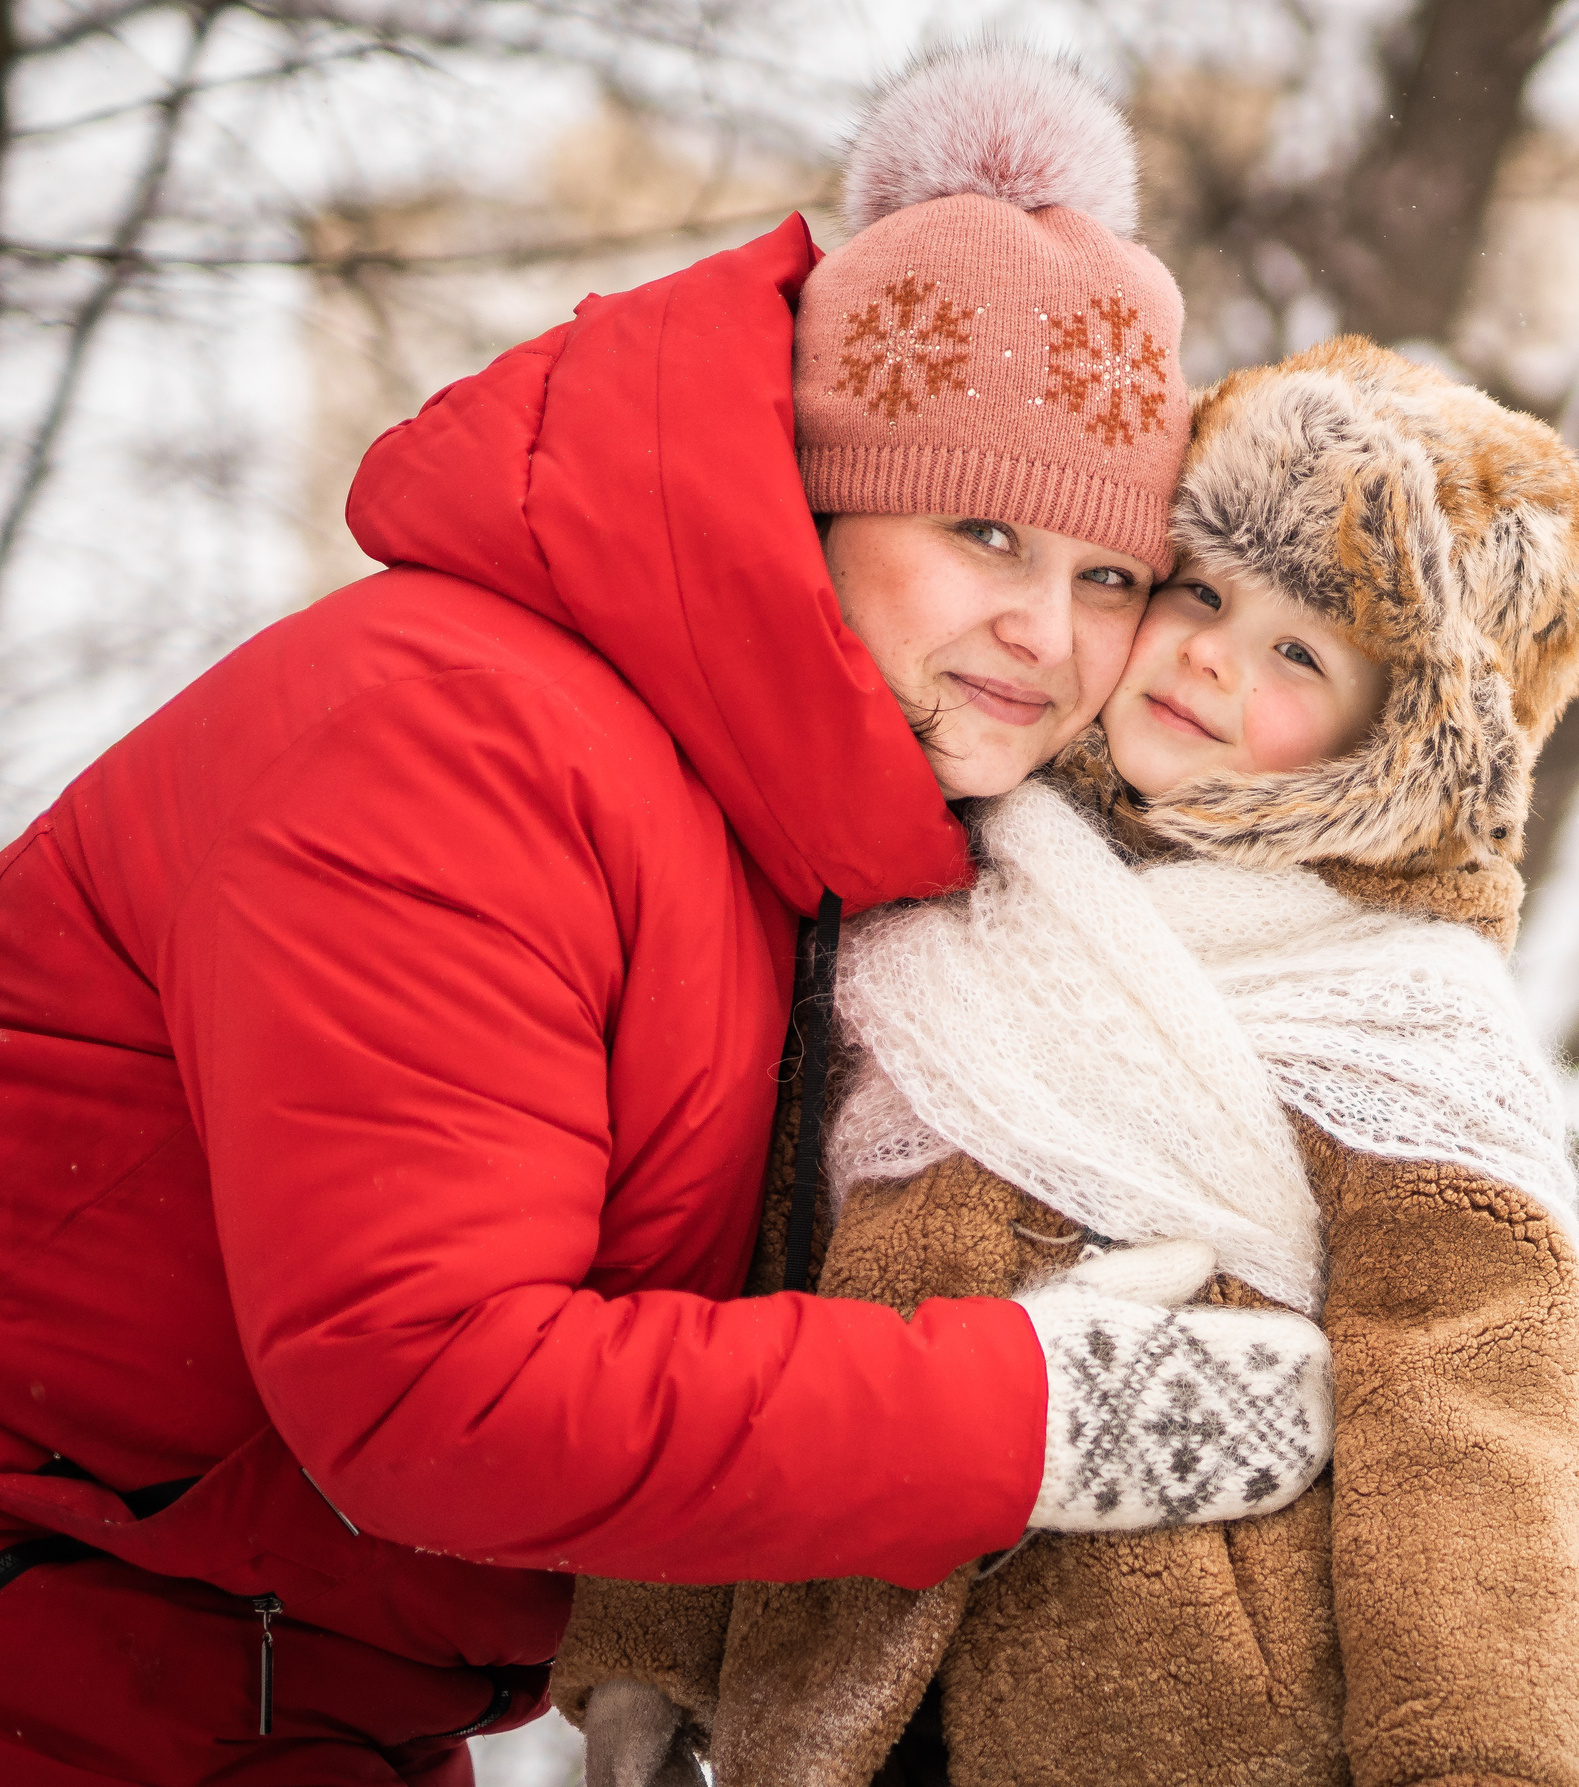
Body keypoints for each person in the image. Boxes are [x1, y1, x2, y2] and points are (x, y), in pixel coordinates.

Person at [0, 47, 1333, 1787]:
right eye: (981, 531)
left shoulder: (792, 817)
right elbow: (435, 1392)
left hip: (275, 1687)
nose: (1050, 635)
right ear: (816, 494)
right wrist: (1031, 1415)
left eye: (1107, 576)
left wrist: (662, 1633)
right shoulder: (456, 746)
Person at [557, 334, 1579, 1787]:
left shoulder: (1408, 1022)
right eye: (1204, 591)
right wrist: (648, 1645)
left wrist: (1477, 1764)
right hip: (839, 1693)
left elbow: (1473, 1425)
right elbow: (770, 1277)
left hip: (1190, 1734)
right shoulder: (942, 892)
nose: (1212, 656)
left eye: (1300, 654)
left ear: (1402, 746)